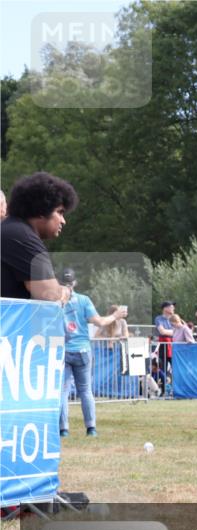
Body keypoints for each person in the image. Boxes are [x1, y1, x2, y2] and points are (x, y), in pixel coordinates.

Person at [58, 268, 128, 437]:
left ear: (58, 283)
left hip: (62, 350)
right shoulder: (83, 300)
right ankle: (91, 429)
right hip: (83, 350)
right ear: (74, 283)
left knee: (63, 391)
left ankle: (63, 430)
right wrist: (116, 316)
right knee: (85, 390)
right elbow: (100, 322)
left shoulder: (53, 302)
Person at [1, 172, 76, 302]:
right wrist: (65, 291)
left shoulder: (9, 230)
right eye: (60, 212)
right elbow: (50, 295)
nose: (63, 221)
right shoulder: (22, 237)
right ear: (41, 210)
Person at [154, 301, 175, 370]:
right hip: (164, 346)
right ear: (165, 309)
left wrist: (171, 332)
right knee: (163, 366)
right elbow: (162, 331)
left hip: (174, 344)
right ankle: (164, 380)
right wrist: (174, 332)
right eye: (171, 307)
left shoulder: (175, 318)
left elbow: (180, 329)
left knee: (175, 366)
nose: (173, 308)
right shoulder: (158, 319)